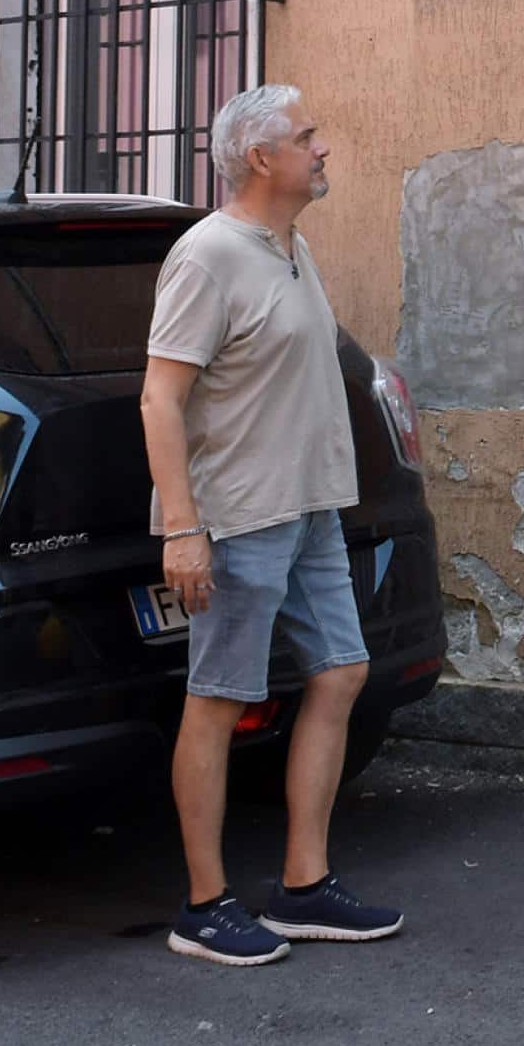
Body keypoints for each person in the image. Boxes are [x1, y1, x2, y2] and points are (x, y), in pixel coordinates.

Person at [140, 83, 404, 966]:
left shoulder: (291, 247)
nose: (322, 148)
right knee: (218, 700)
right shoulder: (206, 256)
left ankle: (303, 884)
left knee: (341, 671)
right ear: (261, 158)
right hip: (238, 518)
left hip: (307, 508)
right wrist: (183, 527)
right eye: (307, 136)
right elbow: (160, 396)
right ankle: (203, 905)